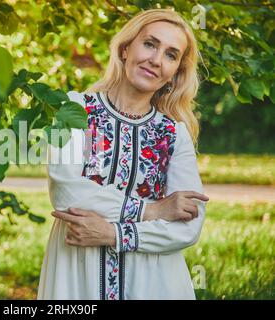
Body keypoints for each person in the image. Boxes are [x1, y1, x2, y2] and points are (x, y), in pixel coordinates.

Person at [37, 8, 210, 300]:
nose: (156, 60)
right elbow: (67, 192)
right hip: (79, 269)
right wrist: (151, 210)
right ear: (126, 47)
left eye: (171, 55)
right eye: (150, 44)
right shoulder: (74, 108)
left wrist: (114, 235)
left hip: (152, 278)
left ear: (175, 73)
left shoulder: (173, 134)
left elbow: (188, 225)